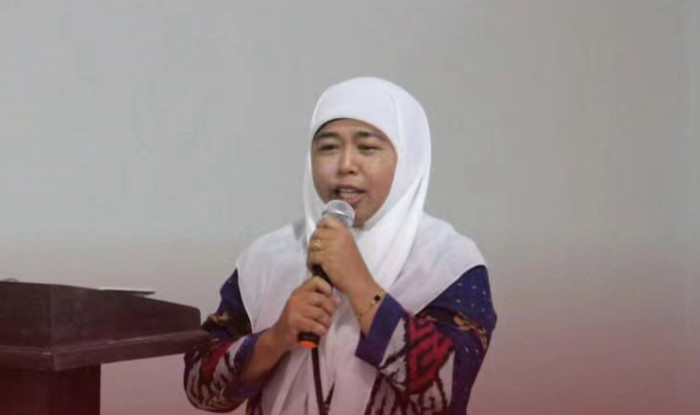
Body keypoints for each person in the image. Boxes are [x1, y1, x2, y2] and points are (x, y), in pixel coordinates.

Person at [183, 77, 497, 415]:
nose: (346, 165)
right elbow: (200, 389)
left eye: (368, 148)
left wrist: (360, 286)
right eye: (329, 147)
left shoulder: (447, 263)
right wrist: (276, 338)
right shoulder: (268, 258)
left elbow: (447, 392)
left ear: (408, 159)